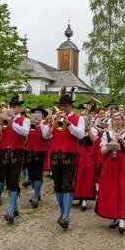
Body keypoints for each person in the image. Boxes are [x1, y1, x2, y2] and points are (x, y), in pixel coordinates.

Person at [42, 88, 85, 229]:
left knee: (67, 186)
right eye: (61, 106)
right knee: (58, 186)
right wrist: (49, 123)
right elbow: (46, 136)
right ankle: (62, 213)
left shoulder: (79, 118)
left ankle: (66, 216)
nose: (63, 108)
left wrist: (68, 123)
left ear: (71, 105)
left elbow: (80, 135)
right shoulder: (55, 118)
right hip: (55, 155)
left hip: (70, 155)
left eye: (66, 105)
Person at [0, 94, 30, 223]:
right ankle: (15, 207)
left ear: (19, 107)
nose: (12, 108)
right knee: (8, 181)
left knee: (13, 181)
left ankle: (11, 212)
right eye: (11, 106)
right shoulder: (3, 120)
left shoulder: (24, 120)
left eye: (15, 106)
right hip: (4, 152)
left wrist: (12, 122)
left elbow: (25, 133)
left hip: (17, 153)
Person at [95, 112, 125, 234]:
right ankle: (114, 217)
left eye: (119, 119)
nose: (116, 121)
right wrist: (112, 142)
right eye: (114, 119)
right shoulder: (107, 134)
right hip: (110, 164)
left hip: (123, 164)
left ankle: (122, 221)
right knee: (111, 190)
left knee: (123, 189)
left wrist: (122, 141)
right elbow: (102, 151)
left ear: (123, 121)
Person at [25, 105, 48, 208]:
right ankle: (37, 194)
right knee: (31, 175)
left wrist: (40, 125)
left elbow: (46, 136)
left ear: (43, 115)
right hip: (29, 151)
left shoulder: (45, 125)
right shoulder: (29, 124)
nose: (37, 115)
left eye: (39, 113)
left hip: (40, 151)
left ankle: (35, 196)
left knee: (38, 174)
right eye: (35, 113)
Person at [73, 111, 97, 210]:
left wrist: (89, 129)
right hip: (77, 152)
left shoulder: (92, 130)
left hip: (87, 154)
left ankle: (85, 199)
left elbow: (94, 140)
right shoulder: (77, 129)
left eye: (86, 119)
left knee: (87, 175)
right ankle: (78, 196)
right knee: (76, 175)